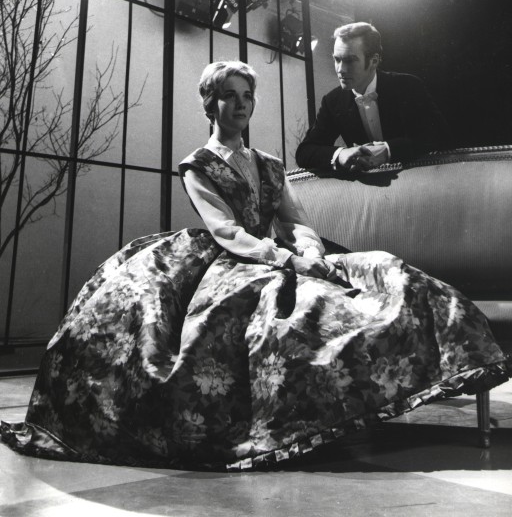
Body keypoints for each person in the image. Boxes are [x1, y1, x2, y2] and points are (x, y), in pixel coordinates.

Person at [2, 61, 510, 472]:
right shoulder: (198, 165)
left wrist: (311, 254)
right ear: (211, 103)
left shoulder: (269, 164)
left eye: (247, 96)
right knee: (282, 313)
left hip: (289, 254)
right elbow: (228, 232)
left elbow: (297, 220)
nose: (240, 104)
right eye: (229, 96)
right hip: (234, 261)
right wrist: (288, 259)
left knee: (383, 267)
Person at [295, 22, 450, 172]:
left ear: (374, 61)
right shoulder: (332, 101)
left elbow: (441, 136)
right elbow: (304, 152)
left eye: (350, 60)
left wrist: (388, 150)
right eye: (337, 59)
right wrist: (340, 154)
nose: (340, 69)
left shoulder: (408, 86)